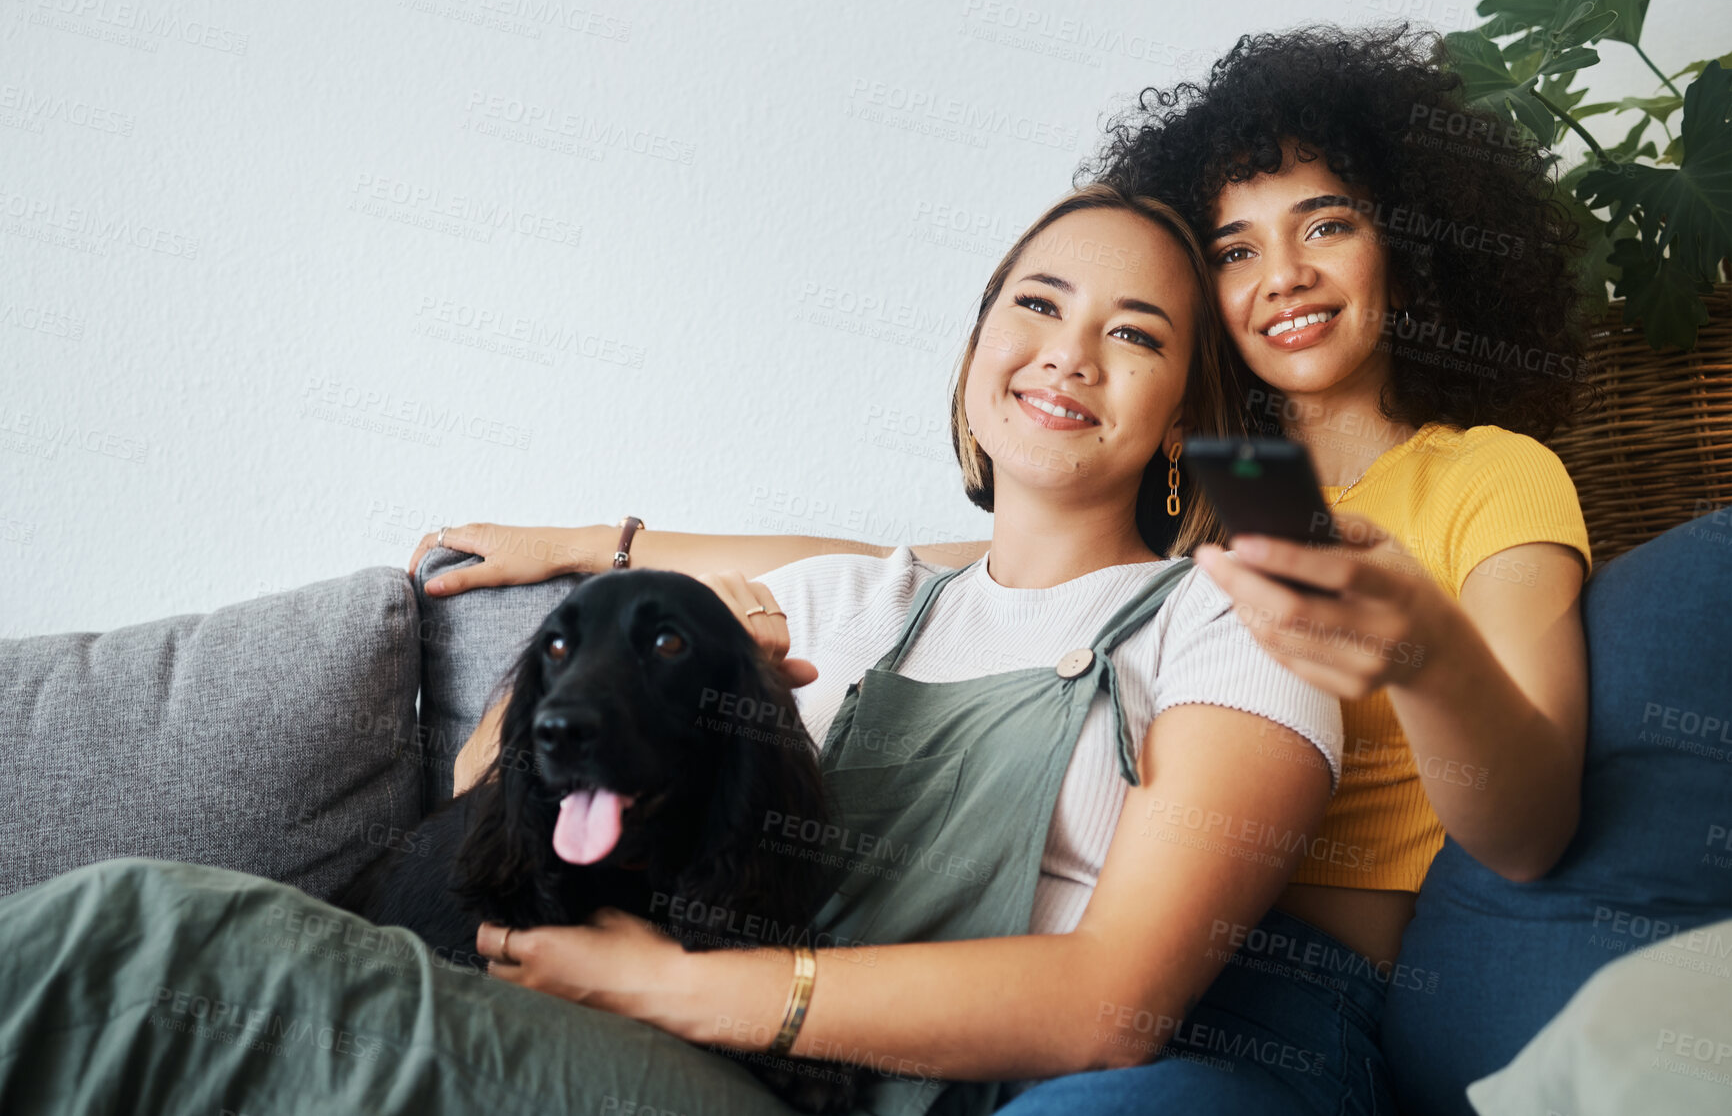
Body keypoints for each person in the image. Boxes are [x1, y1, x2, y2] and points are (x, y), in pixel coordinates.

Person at [421, 23, 1595, 1115]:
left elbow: (1526, 823)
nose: (1281, 274)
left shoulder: (1435, 493)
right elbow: (933, 571)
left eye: (1327, 224)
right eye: (1234, 248)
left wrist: (1419, 652)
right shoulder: (1230, 500)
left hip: (1274, 985)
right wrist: (604, 555)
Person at [0, 187, 1344, 1116]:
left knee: (135, 934)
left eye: (1135, 333)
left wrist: (682, 983)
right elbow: (500, 768)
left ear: (1185, 412)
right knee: (148, 956)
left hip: (814, 1081)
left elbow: (1112, 1005)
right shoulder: (845, 598)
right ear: (976, 349)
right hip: (638, 1036)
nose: (1069, 355)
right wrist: (654, 653)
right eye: (1037, 307)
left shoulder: (1230, 622)